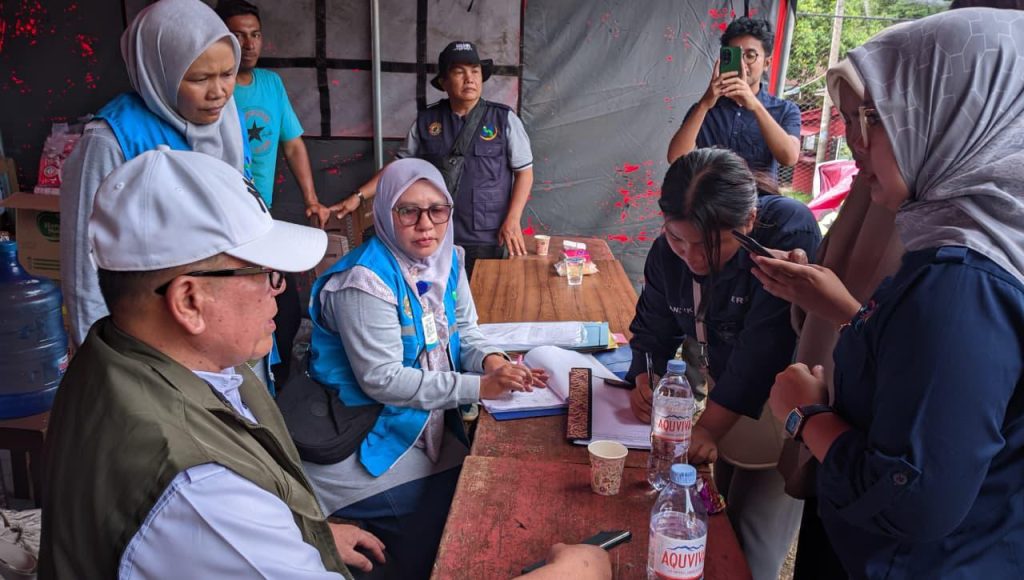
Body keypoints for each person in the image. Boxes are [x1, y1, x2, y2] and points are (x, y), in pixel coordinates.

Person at [758, 8, 1024, 577]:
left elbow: (913, 499)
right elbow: (925, 373)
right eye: (851, 118)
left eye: (874, 117)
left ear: (955, 115)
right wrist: (847, 315)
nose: (853, 140)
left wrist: (805, 415)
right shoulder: (962, 239)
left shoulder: (963, 280)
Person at [38, 147, 387, 578]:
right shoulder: (201, 490)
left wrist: (307, 533)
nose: (277, 290)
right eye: (264, 273)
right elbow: (218, 518)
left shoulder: (116, 351)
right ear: (189, 301)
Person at [305, 158, 609, 579]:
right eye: (408, 211)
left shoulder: (446, 261)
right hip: (364, 437)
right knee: (458, 514)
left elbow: (465, 330)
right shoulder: (363, 283)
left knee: (489, 485)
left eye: (437, 210)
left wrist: (494, 362)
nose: (425, 224)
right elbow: (382, 380)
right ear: (385, 213)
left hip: (415, 423)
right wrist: (479, 387)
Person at [626, 148, 820, 580]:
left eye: (710, 245)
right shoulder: (667, 253)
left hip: (784, 410)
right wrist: (644, 376)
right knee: (719, 522)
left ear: (748, 220)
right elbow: (653, 327)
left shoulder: (787, 231)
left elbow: (764, 351)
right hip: (726, 400)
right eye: (678, 240)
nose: (693, 258)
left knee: (751, 546)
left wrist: (709, 428)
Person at [60, 0, 251, 348]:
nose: (219, 92)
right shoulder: (110, 140)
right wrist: (102, 355)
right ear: (157, 72)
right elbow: (83, 261)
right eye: (199, 78)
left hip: (227, 318)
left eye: (227, 74)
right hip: (154, 332)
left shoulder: (228, 124)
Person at [338, 41, 535, 275]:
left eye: (475, 71)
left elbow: (524, 173)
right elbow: (397, 168)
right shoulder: (426, 121)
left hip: (488, 234)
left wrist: (513, 219)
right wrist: (358, 196)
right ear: (443, 82)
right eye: (459, 72)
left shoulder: (503, 119)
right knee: (439, 295)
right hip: (435, 234)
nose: (469, 79)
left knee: (486, 294)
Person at [215, 0, 339, 224]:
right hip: (220, 208)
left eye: (255, 35)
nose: (249, 44)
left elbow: (293, 145)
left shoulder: (271, 83)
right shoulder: (212, 89)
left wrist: (311, 200)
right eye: (238, 35)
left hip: (261, 208)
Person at [666, 17, 800, 182]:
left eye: (750, 56)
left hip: (761, 195)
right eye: (735, 56)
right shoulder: (706, 108)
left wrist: (755, 106)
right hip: (713, 194)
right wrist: (704, 104)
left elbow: (789, 158)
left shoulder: (785, 110)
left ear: (767, 63)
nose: (742, 64)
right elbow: (675, 158)